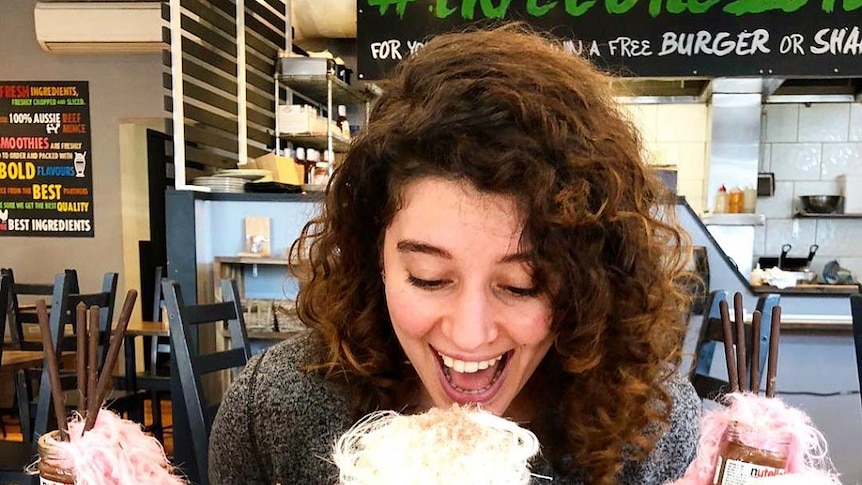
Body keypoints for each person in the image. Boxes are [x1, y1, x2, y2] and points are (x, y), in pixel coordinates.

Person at [209, 24, 700, 485]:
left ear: (588, 284)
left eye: (522, 285)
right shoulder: (275, 413)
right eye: (427, 277)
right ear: (374, 258)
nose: (469, 335)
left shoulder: (650, 429)